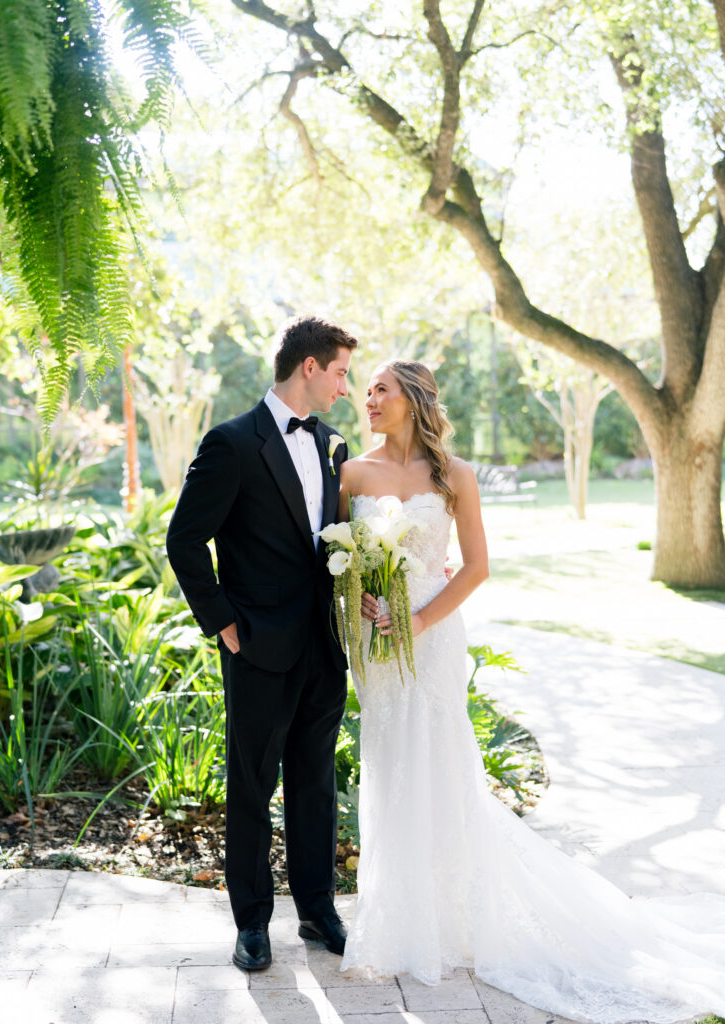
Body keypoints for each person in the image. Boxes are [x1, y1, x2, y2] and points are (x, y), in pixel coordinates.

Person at [336, 359, 725, 1022]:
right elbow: (344, 562)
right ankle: (399, 916)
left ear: (414, 399)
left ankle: (452, 916)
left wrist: (418, 620)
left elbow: (478, 566)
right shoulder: (352, 474)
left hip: (432, 638)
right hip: (377, 644)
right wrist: (370, 605)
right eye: (366, 389)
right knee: (391, 762)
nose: (368, 398)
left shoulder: (454, 475)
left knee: (441, 762)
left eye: (381, 389)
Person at [166, 315, 357, 972]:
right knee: (251, 784)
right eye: (339, 373)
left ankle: (318, 911)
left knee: (316, 781)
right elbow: (184, 540)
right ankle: (251, 922)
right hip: (256, 646)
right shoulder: (231, 444)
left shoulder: (335, 444)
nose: (344, 387)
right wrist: (223, 624)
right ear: (309, 367)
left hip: (323, 647)